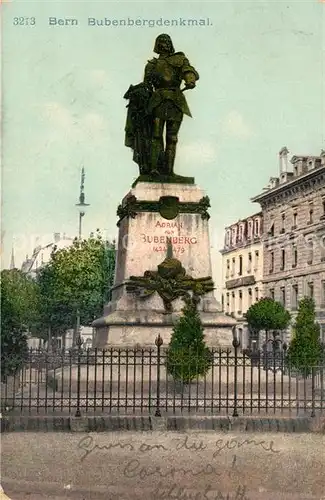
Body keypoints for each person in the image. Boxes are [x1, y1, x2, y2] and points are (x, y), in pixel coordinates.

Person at [144, 34, 199, 176]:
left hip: (175, 101)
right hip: (157, 101)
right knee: (156, 136)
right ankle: (154, 169)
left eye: (167, 41)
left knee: (172, 138)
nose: (165, 44)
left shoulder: (179, 59)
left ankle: (169, 171)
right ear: (157, 45)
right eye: (161, 42)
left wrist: (190, 80)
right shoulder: (152, 65)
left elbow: (188, 70)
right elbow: (146, 86)